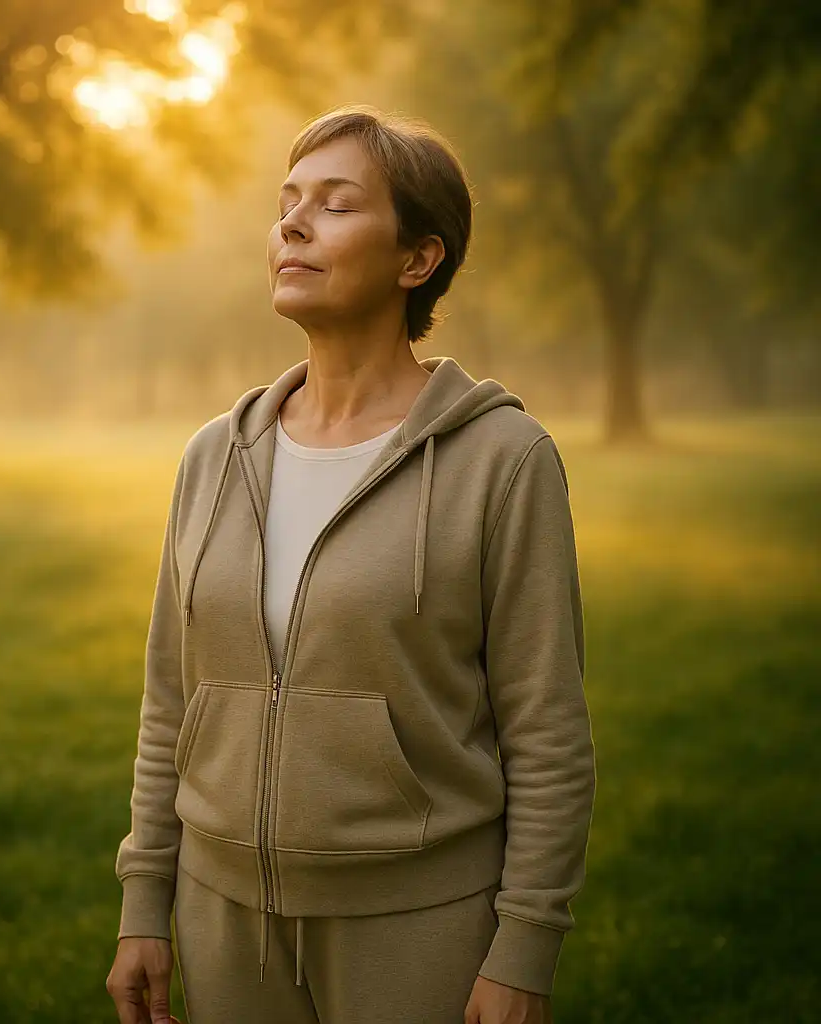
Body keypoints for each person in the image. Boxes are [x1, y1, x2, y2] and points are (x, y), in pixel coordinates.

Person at [106, 105, 596, 1024]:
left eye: (334, 205)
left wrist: (525, 948)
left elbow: (548, 730)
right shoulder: (213, 456)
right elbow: (170, 699)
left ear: (419, 259)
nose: (293, 225)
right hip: (222, 921)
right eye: (286, 203)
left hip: (420, 926)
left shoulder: (503, 460)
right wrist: (146, 901)